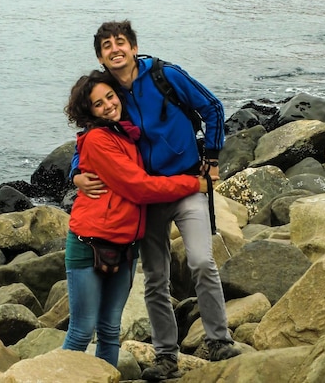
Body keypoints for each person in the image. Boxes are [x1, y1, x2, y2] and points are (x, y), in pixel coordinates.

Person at [72, 20, 241, 380]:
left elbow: (212, 107)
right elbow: (89, 137)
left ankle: (219, 340)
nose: (115, 49)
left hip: (188, 185)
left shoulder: (166, 75)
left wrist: (211, 159)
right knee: (155, 278)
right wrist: (76, 172)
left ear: (134, 47)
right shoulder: (107, 94)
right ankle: (166, 356)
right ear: (101, 57)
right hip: (146, 199)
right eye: (107, 46)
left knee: (200, 261)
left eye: (121, 42)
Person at [61, 70, 210, 368]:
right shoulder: (98, 139)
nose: (108, 105)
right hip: (90, 244)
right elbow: (140, 188)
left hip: (126, 247)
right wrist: (195, 184)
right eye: (97, 103)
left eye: (110, 97)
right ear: (87, 111)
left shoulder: (127, 134)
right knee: (81, 331)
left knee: (110, 330)